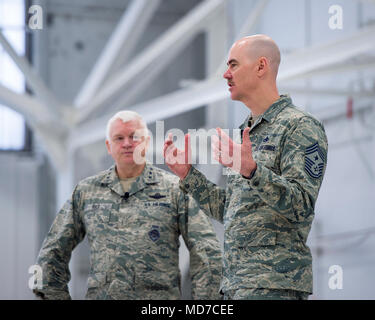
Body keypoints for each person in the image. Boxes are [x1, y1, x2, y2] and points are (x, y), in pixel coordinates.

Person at [164, 34, 328, 300]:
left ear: (261, 67)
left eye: (234, 65)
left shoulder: (300, 126)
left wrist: (253, 172)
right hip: (235, 286)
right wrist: (188, 175)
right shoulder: (247, 131)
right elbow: (233, 209)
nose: (226, 75)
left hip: (274, 286)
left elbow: (301, 206)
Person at [33, 110, 222, 300]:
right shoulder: (86, 192)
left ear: (147, 142)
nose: (127, 143)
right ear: (109, 146)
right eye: (119, 138)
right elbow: (50, 254)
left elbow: (208, 253)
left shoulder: (176, 190)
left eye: (134, 137)